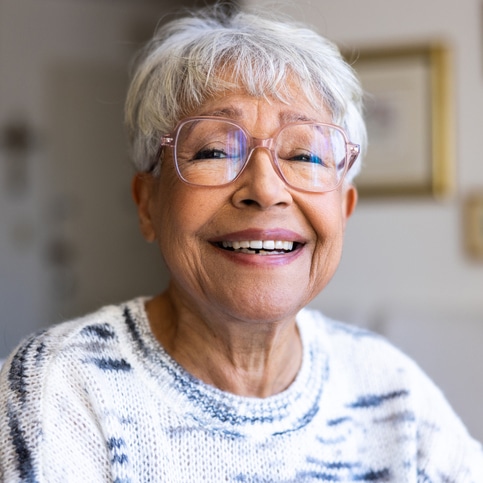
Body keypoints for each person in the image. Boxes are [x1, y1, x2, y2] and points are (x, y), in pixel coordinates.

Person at [1, 5, 482, 482]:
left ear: (345, 210)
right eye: (213, 150)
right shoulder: (57, 391)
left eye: (304, 154)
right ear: (147, 204)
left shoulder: (389, 389)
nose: (266, 189)